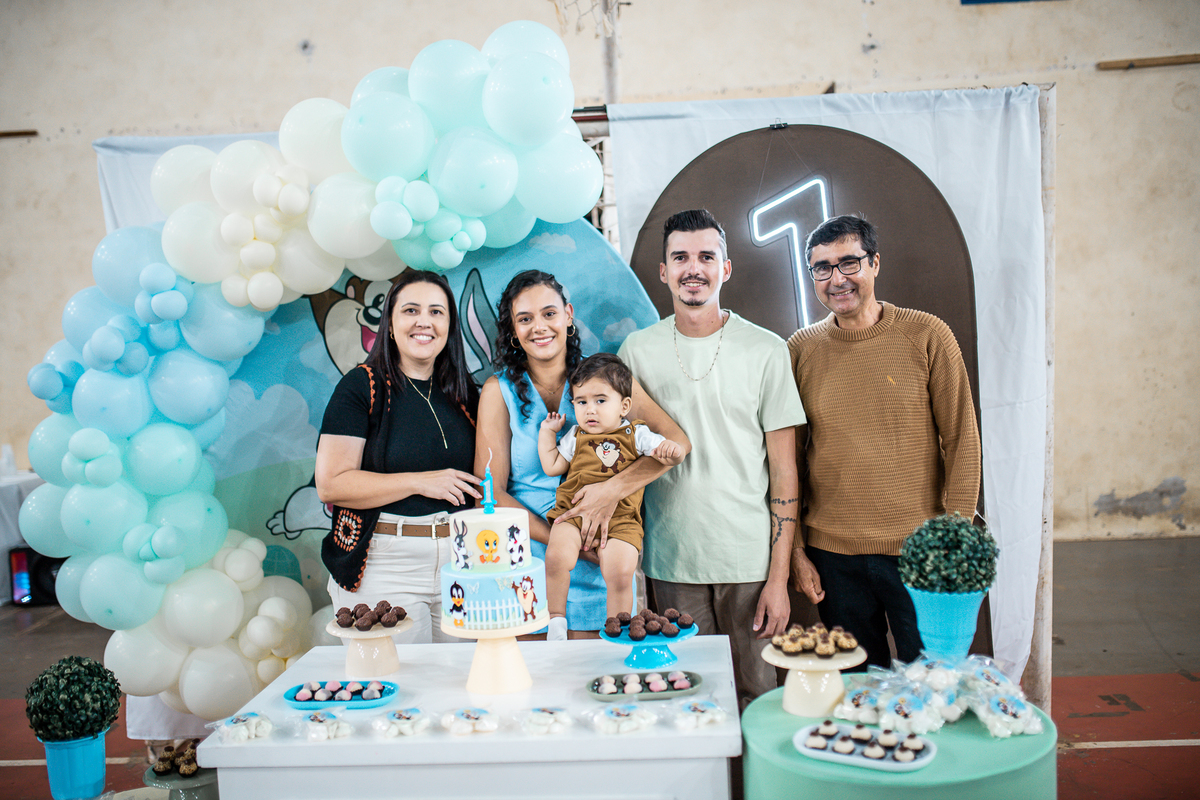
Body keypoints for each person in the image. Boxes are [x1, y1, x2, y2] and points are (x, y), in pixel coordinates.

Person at [618, 209, 817, 706]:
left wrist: (778, 577)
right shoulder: (636, 351)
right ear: (663, 271)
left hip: (749, 561)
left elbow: (785, 472)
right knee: (688, 697)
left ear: (725, 268)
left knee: (758, 695)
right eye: (680, 257)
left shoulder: (766, 349)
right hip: (671, 559)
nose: (694, 268)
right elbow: (620, 452)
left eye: (706, 257)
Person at [788, 214, 982, 668]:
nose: (837, 279)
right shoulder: (801, 349)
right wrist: (796, 550)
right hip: (832, 556)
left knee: (933, 680)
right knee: (858, 685)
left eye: (849, 263)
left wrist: (951, 541)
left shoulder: (927, 335)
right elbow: (787, 462)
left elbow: (962, 441)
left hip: (920, 552)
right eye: (822, 268)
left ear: (875, 263)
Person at [476, 270, 690, 637]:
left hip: (604, 558)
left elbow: (677, 442)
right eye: (524, 319)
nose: (539, 327)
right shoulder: (499, 391)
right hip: (528, 562)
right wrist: (565, 536)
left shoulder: (607, 378)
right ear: (512, 330)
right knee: (532, 670)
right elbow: (489, 493)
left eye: (549, 313)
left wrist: (612, 490)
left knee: (605, 661)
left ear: (568, 315)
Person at [317, 269, 482, 644]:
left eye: (436, 312)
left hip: (462, 560)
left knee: (462, 677)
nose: (424, 321)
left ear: (450, 327)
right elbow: (331, 484)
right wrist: (420, 482)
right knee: (398, 678)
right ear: (389, 325)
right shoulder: (361, 386)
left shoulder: (465, 395)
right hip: (385, 563)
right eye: (411, 310)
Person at [538, 353, 686, 640]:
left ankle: (617, 627)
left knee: (620, 572)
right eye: (581, 402)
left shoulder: (636, 434)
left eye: (600, 400)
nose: (590, 410)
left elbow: (667, 454)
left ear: (624, 406)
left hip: (622, 520)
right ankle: (556, 620)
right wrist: (547, 432)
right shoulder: (576, 436)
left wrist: (673, 451)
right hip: (573, 512)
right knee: (555, 557)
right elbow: (552, 465)